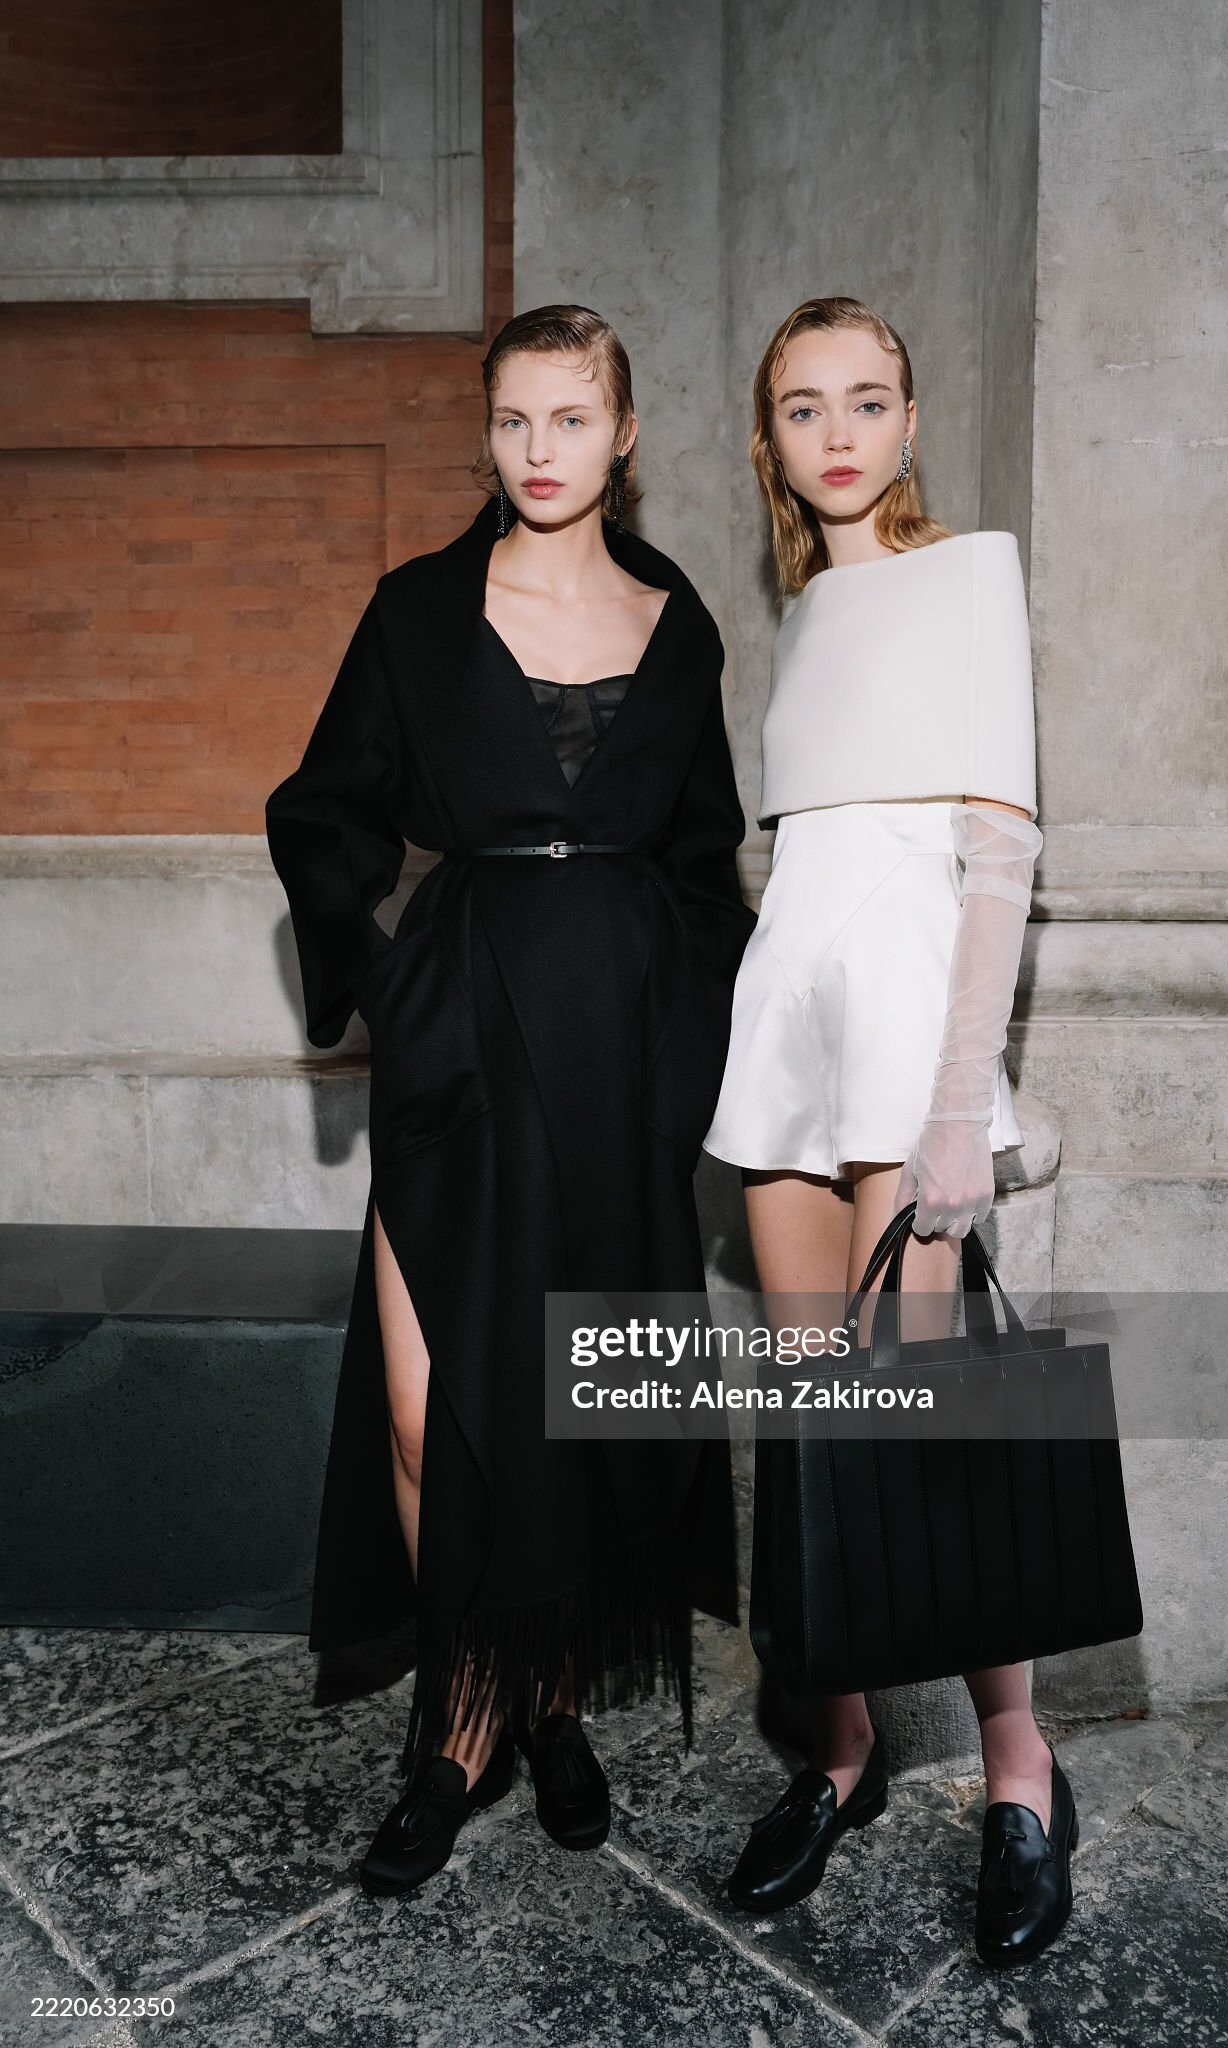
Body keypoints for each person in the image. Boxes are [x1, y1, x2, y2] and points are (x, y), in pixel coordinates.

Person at [265, 304, 756, 1897]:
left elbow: (705, 860)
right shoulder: (417, 610)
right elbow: (321, 813)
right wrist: (396, 979)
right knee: (428, 1412)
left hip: (616, 1058)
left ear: (625, 435)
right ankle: (460, 1713)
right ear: (486, 434)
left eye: (570, 418)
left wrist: (682, 1037)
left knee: (574, 1404)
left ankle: (540, 1708)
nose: (538, 450)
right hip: (462, 1041)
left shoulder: (677, 623)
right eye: (512, 420)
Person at [701, 297, 1075, 1968]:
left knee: (934, 1425)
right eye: (803, 407)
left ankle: (1019, 1769)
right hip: (788, 1029)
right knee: (812, 1421)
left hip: (908, 1055)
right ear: (770, 440)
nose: (837, 432)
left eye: (866, 401)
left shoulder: (970, 575)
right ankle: (841, 1756)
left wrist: (954, 1108)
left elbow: (996, 861)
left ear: (910, 422)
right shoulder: (801, 614)